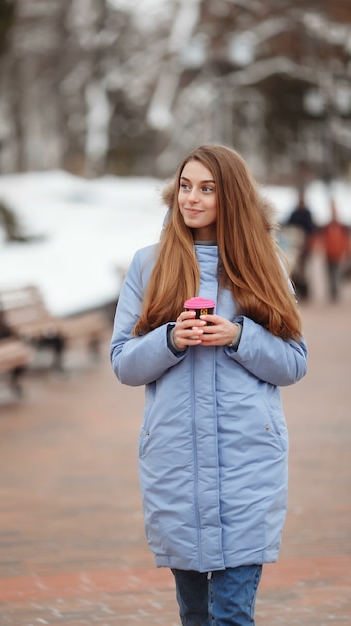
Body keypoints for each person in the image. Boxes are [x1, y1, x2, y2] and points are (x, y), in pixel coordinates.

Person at [110, 144, 308, 626]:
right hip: (176, 466)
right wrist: (171, 339)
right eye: (184, 186)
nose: (191, 198)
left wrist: (239, 336)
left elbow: (293, 363)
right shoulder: (148, 264)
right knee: (196, 613)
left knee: (232, 613)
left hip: (248, 465)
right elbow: (124, 364)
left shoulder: (264, 265)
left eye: (207, 188)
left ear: (232, 197)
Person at [284, 190, 316, 300]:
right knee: (295, 271)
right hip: (295, 245)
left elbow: (311, 231)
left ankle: (304, 292)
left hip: (304, 246)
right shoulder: (295, 213)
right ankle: (297, 290)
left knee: (304, 272)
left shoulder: (307, 213)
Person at [318, 198, 350, 302]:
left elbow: (345, 240)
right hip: (329, 253)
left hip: (337, 252)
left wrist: (346, 251)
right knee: (330, 273)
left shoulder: (342, 227)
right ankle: (332, 292)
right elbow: (323, 239)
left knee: (336, 273)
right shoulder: (327, 226)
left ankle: (335, 292)